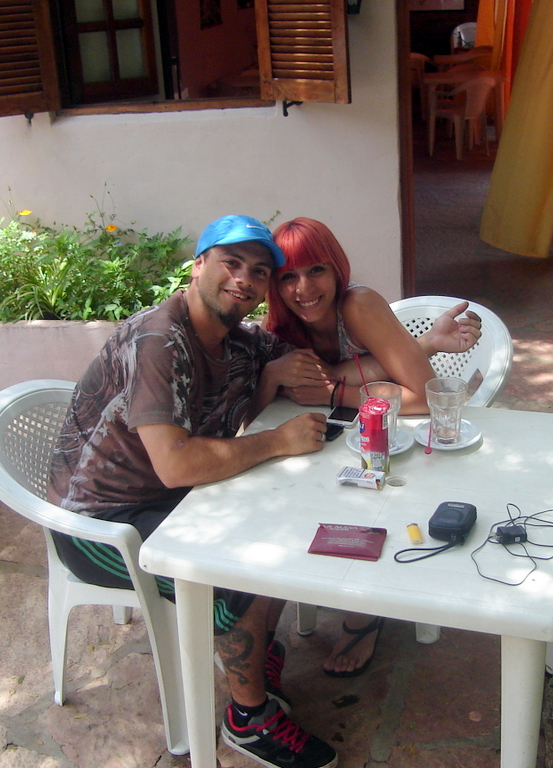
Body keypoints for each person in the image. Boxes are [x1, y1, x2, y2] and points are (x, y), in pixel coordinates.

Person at [47, 214, 338, 768]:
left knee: (282, 522)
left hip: (168, 500)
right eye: (231, 263)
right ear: (198, 265)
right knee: (236, 570)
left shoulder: (237, 339)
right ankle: (249, 719)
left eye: (259, 271)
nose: (244, 279)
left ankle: (253, 650)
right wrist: (276, 441)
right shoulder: (160, 341)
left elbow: (316, 366)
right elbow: (177, 464)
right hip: (100, 524)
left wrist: (276, 377)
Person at [265, 216, 482, 677]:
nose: (304, 288)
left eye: (316, 270)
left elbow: (423, 397)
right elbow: (286, 389)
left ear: (337, 268)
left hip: (402, 440)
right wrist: (412, 350)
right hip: (343, 437)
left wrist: (333, 390)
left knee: (366, 493)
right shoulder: (281, 324)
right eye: (288, 276)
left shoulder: (358, 305)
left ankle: (364, 615)